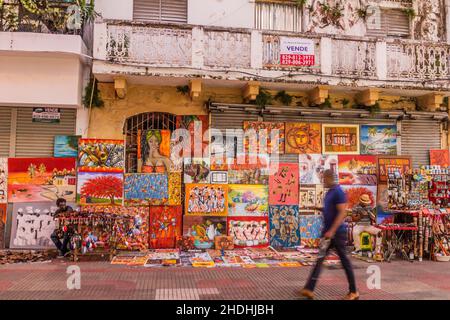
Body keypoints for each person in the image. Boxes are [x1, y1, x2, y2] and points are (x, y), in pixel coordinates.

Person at [298, 170, 359, 300]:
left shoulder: (338, 192)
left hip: (337, 234)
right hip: (328, 234)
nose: (323, 181)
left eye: (324, 179)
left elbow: (342, 213)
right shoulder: (330, 192)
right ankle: (309, 289)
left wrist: (332, 231)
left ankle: (353, 291)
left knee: (345, 262)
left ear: (330, 178)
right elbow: (329, 209)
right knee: (319, 260)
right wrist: (317, 208)